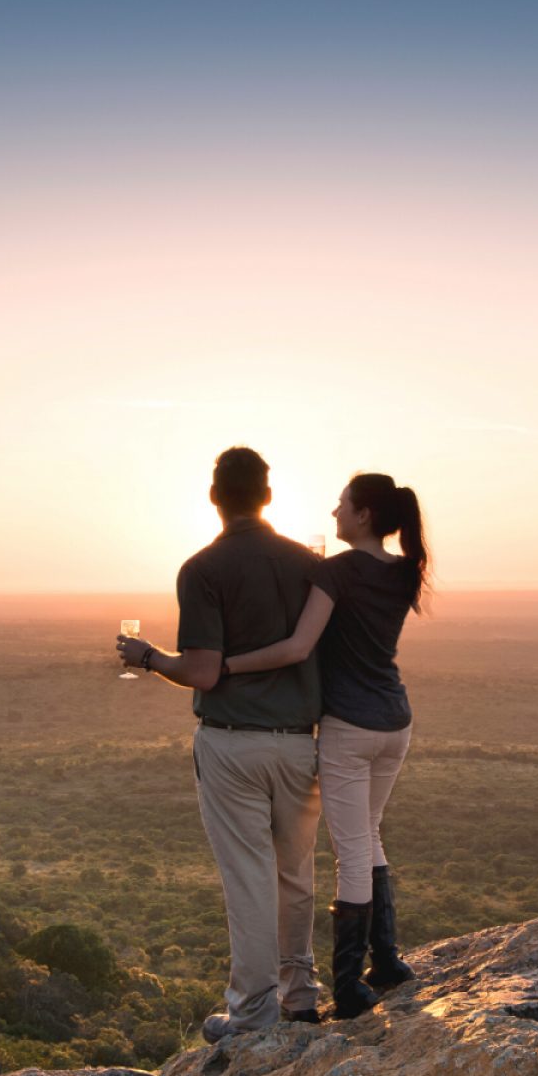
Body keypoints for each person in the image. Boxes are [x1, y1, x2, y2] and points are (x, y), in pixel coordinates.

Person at [116, 446, 326, 1041]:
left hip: (233, 743)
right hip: (299, 742)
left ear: (214, 497)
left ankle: (253, 1014)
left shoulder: (203, 569)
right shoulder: (310, 565)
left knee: (249, 878)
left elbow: (204, 671)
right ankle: (302, 995)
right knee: (296, 872)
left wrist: (149, 657)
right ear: (267, 495)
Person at [220, 473, 428, 1019]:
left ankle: (349, 986)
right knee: (369, 834)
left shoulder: (337, 572)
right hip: (394, 721)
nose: (334, 513)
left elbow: (297, 646)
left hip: (349, 727)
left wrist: (226, 666)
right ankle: (385, 960)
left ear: (362, 516)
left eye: (342, 505)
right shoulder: (405, 571)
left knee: (352, 850)